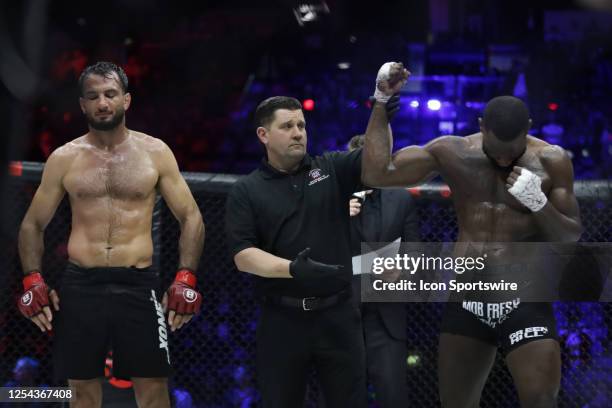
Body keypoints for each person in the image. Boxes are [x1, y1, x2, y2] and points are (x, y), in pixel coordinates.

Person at [362, 62, 582, 407]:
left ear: (529, 130)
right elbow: (378, 173)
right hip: (468, 296)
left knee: (541, 399)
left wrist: (539, 204)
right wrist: (380, 102)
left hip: (523, 296)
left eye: (514, 149)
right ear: (481, 128)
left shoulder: (552, 161)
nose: (505, 157)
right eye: (496, 149)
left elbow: (570, 237)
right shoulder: (453, 152)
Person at [16, 61, 204, 408]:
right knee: (82, 390)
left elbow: (191, 215)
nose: (103, 103)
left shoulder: (155, 152)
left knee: (152, 388)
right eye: (94, 96)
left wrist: (185, 277)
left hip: (138, 283)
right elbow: (32, 224)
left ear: (126, 100)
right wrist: (32, 279)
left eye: (110, 94)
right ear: (83, 104)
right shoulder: (64, 158)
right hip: (80, 284)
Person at [225, 96, 366, 407]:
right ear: (263, 135)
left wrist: (381, 108)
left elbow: (378, 162)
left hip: (338, 315)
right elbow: (243, 255)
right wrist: (292, 269)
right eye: (287, 126)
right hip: (282, 321)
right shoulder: (247, 190)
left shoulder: (331, 168)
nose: (298, 132)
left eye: (301, 125)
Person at [347, 135, 419, 407]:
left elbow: (415, 254)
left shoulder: (401, 200)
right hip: (342, 315)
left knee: (393, 397)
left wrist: (401, 269)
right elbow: (316, 251)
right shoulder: (329, 199)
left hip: (385, 317)